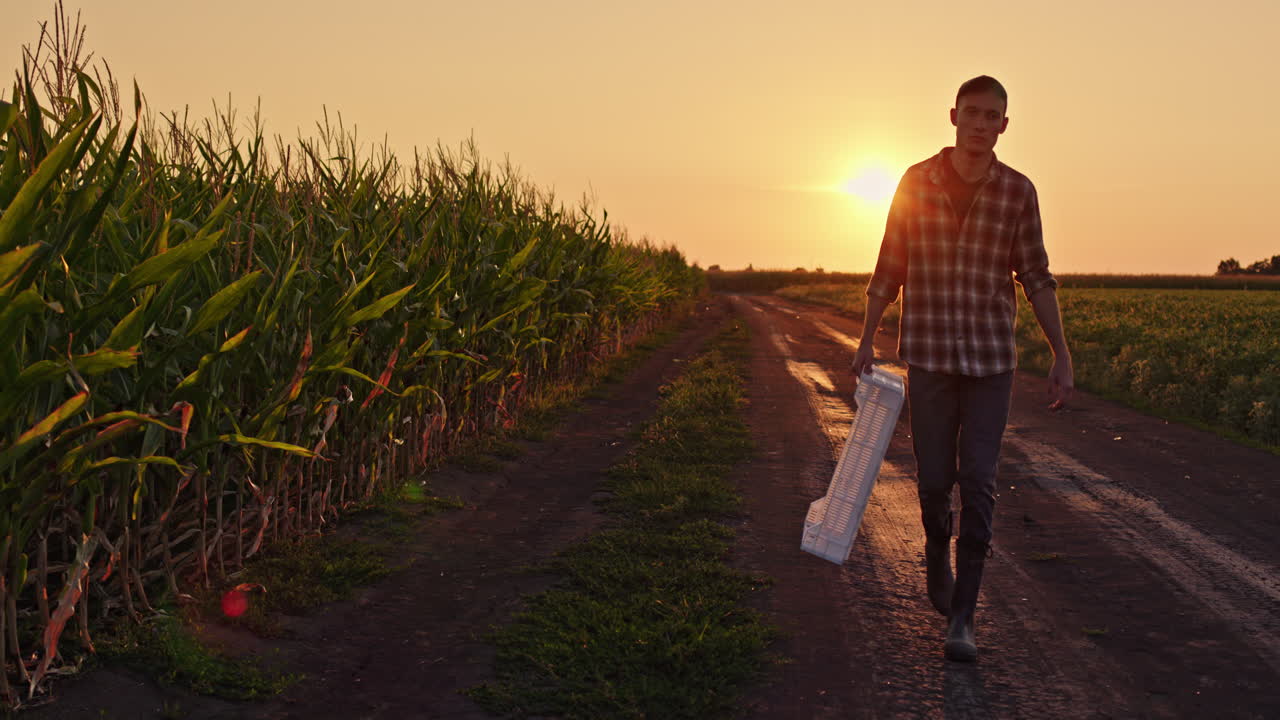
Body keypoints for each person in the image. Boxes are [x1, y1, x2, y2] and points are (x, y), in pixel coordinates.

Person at [849, 75, 1073, 662]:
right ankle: (933, 546)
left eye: (991, 115)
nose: (979, 124)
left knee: (978, 481)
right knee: (932, 482)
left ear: (1004, 124)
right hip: (927, 358)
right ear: (953, 116)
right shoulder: (914, 182)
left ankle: (963, 619)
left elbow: (1036, 276)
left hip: (990, 363)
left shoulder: (1018, 192)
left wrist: (1061, 352)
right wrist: (867, 337)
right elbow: (888, 265)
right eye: (970, 113)